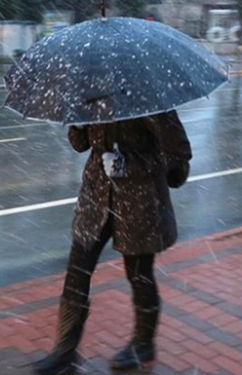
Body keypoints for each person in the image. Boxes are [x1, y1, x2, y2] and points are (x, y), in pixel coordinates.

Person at [33, 110, 192, 374]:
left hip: (138, 203)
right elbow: (80, 144)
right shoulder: (92, 97)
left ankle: (143, 343)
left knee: (139, 274)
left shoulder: (148, 103)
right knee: (77, 270)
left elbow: (178, 156)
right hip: (96, 198)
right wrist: (79, 121)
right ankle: (65, 352)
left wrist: (129, 166)